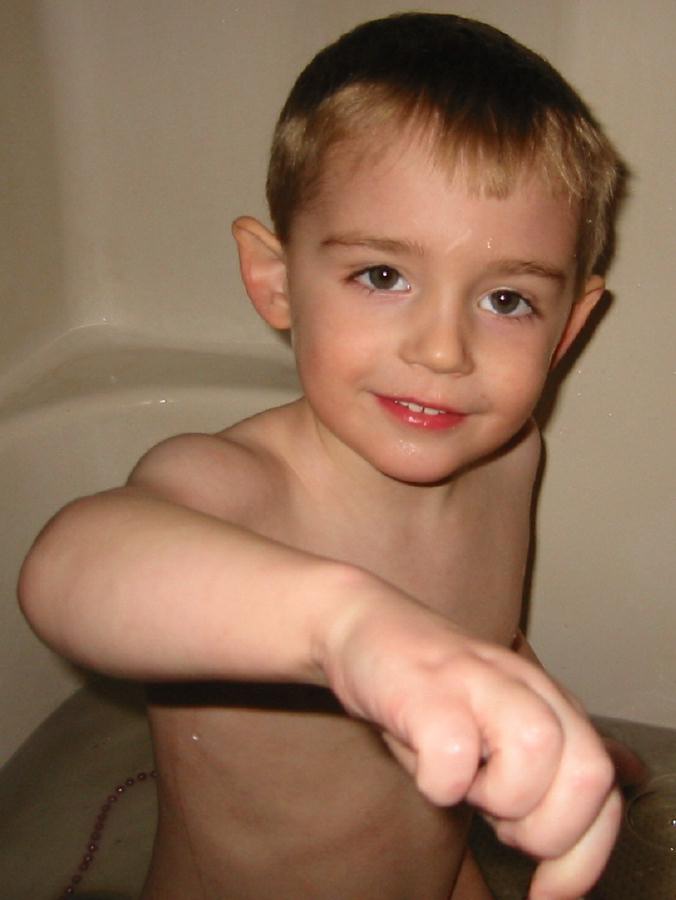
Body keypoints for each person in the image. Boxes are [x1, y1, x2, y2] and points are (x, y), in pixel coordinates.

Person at [19, 13, 628, 900]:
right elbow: (69, 567)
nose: (443, 350)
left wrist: (537, 717)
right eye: (383, 276)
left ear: (568, 327)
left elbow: (486, 631)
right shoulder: (237, 489)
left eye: (506, 300)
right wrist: (345, 629)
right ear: (275, 282)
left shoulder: (509, 458)